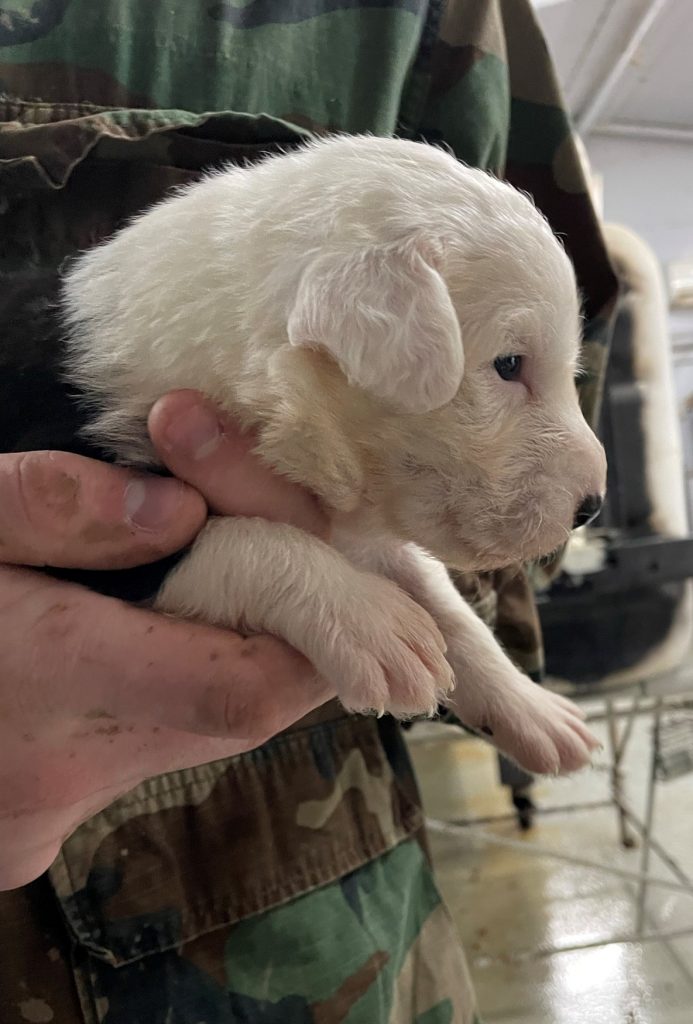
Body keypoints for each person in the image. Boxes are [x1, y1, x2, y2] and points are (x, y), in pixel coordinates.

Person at [0, 1, 618, 1020]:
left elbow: (374, 536)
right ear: (362, 313)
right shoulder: (104, 369)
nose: (589, 467)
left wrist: (487, 676)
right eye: (511, 367)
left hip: (338, 928)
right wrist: (304, 582)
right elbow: (131, 539)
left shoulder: (443, 28)